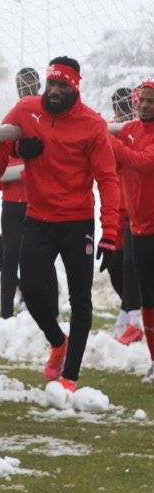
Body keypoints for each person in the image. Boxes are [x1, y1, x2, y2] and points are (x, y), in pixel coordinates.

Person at [3, 57, 121, 392]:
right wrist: (17, 146)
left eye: (62, 86)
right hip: (37, 218)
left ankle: (71, 376)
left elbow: (108, 179)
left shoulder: (92, 124)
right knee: (33, 288)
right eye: (50, 84)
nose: (54, 91)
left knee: (80, 298)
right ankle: (58, 341)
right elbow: (0, 143)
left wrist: (109, 232)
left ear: (75, 87)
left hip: (76, 221)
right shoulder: (26, 109)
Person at [0, 67, 42, 319]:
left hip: (37, 203)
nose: (25, 89)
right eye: (21, 85)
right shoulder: (14, 117)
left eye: (30, 84)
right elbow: (0, 157)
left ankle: (43, 306)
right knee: (5, 257)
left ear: (39, 85)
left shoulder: (44, 115)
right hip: (12, 203)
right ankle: (7, 315)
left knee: (37, 260)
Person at [109, 81, 154, 382]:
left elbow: (141, 162)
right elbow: (114, 165)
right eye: (143, 100)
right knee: (148, 298)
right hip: (138, 228)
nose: (146, 106)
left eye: (152, 101)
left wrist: (108, 139)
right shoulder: (127, 131)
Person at [106, 86, 142, 342]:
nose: (120, 112)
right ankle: (129, 310)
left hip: (135, 210)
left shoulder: (137, 132)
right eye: (117, 107)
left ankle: (133, 317)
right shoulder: (113, 131)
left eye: (124, 106)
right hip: (115, 210)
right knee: (115, 266)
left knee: (131, 266)